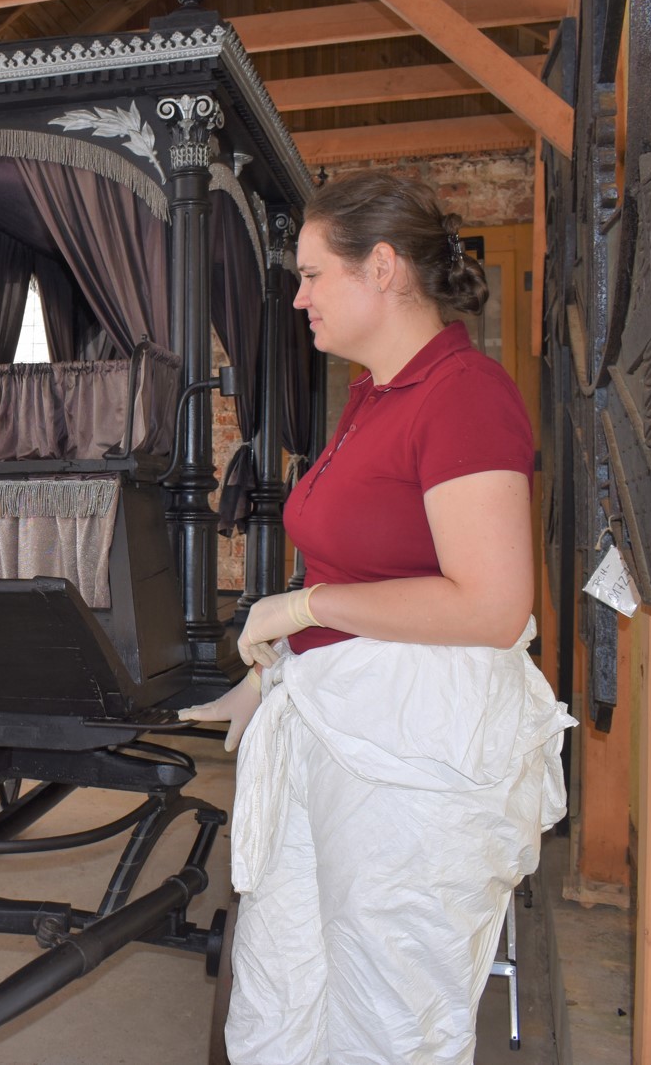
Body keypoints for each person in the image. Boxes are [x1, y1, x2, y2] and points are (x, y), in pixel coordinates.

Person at [181, 173, 575, 1064]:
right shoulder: (369, 393)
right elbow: (366, 564)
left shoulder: (462, 393)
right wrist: (272, 673)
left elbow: (488, 602)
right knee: (287, 980)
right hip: (338, 722)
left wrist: (304, 605)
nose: (298, 294)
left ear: (384, 269)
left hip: (414, 753)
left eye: (314, 273)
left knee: (387, 1012)